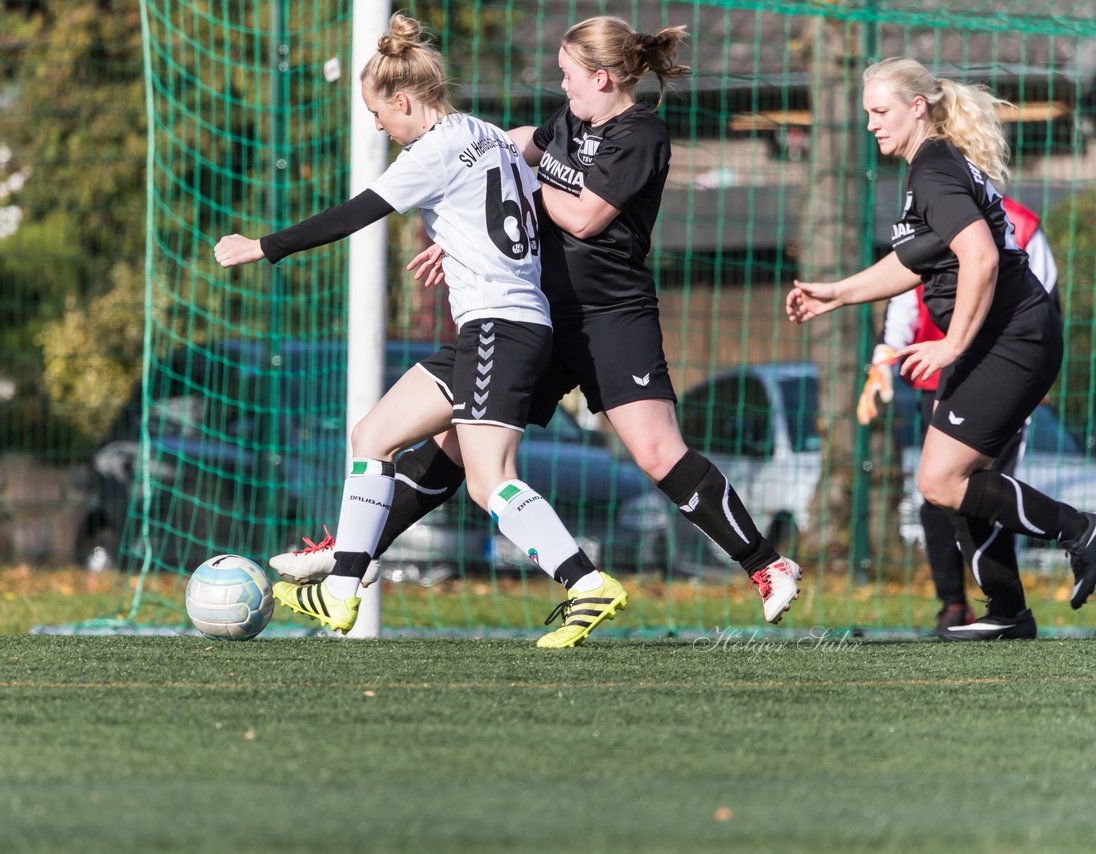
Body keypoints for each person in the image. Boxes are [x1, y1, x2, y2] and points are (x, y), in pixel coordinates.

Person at [271, 15, 804, 627]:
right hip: (538, 312)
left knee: (658, 454)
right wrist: (470, 205)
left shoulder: (642, 134)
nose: (563, 85)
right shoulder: (569, 122)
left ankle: (765, 562)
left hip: (609, 318)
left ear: (603, 78)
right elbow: (512, 144)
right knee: (455, 448)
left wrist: (506, 183)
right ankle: (350, 555)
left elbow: (583, 216)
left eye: (569, 75)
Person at [216, 13, 628, 648]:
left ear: (404, 100)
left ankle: (585, 583)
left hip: (501, 327)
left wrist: (264, 246)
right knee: (373, 434)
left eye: (379, 115)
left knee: (489, 478)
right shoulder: (487, 134)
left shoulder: (429, 151)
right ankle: (343, 589)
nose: (378, 127)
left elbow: (357, 213)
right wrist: (459, 248)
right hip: (496, 326)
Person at [787, 57, 1096, 641]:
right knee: (954, 483)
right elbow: (913, 261)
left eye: (881, 112)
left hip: (1011, 337)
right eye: (868, 114)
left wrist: (951, 345)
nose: (872, 124)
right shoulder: (933, 167)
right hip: (1005, 336)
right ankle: (1007, 611)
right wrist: (836, 294)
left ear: (917, 107)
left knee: (942, 480)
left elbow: (979, 256)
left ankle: (1082, 531)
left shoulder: (932, 170)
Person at [858, 196, 1059, 634]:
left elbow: (1041, 299)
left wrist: (1033, 373)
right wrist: (883, 358)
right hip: (940, 378)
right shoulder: (928, 218)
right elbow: (906, 295)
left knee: (982, 492)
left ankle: (1020, 593)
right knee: (938, 493)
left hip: (998, 373)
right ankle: (956, 604)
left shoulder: (1019, 223)